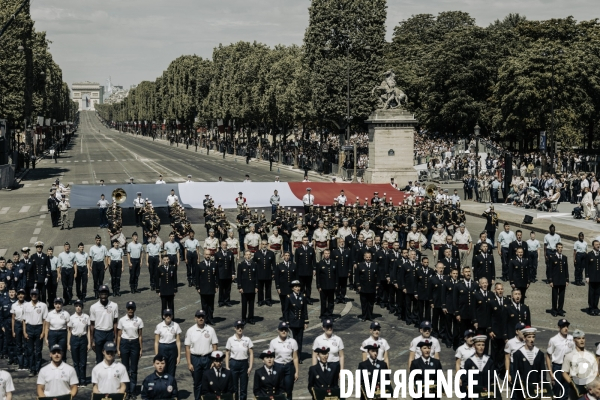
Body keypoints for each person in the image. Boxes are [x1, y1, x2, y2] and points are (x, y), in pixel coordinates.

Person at [184, 309, 218, 400]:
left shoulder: (210, 330)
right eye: (199, 317)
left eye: (202, 317)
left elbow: (215, 346)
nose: (201, 318)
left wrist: (214, 361)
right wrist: (189, 363)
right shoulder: (190, 331)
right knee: (197, 382)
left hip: (208, 357)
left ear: (205, 318)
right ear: (195, 318)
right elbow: (187, 348)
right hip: (195, 358)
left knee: (208, 381)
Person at [117, 301, 144, 400]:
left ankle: (132, 391)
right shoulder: (122, 320)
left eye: (132, 308)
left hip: (135, 343)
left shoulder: (139, 320)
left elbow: (140, 335)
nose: (130, 310)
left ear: (135, 309)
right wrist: (118, 348)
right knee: (125, 369)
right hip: (124, 343)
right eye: (129, 308)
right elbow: (119, 336)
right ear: (126, 309)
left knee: (133, 369)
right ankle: (126, 390)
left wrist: (141, 348)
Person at [511, 327, 548, 397]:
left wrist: (541, 384)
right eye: (529, 337)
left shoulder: (539, 354)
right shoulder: (518, 354)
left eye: (533, 337)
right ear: (524, 338)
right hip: (522, 389)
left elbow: (542, 372)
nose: (531, 340)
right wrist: (520, 385)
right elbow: (516, 372)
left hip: (535, 388)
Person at [562, 329, 598, 400]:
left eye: (583, 338)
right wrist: (572, 384)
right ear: (574, 340)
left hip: (589, 388)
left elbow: (595, 371)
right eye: (579, 338)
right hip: (576, 389)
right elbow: (564, 372)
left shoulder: (590, 355)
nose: (582, 340)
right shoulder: (569, 356)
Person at [269, 322, 299, 399]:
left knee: (289, 389)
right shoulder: (273, 342)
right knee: (278, 389)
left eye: (285, 329)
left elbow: (295, 357)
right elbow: (271, 358)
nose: (283, 331)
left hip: (288, 366)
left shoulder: (292, 342)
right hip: (277, 366)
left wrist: (296, 372)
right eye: (282, 329)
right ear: (278, 330)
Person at [546, 319, 574, 400]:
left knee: (566, 391)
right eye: (563, 326)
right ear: (559, 327)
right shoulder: (553, 340)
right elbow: (548, 356)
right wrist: (551, 373)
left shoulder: (571, 339)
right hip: (557, 367)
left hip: (568, 368)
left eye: (567, 326)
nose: (566, 328)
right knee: (556, 390)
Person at [90, 285, 119, 364]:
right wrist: (92, 340)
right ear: (99, 294)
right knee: (99, 358)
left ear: (108, 294)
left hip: (109, 333)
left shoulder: (114, 305)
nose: (103, 296)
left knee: (110, 356)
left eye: (105, 293)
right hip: (98, 333)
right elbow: (92, 325)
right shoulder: (93, 307)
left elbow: (115, 323)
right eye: (102, 294)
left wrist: (115, 338)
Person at [226, 320, 253, 400]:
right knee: (234, 387)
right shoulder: (230, 339)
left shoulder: (247, 339)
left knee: (243, 388)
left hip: (244, 363)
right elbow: (227, 353)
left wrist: (250, 367)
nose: (240, 329)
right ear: (235, 328)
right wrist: (227, 366)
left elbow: (251, 353)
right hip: (234, 363)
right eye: (238, 327)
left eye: (241, 327)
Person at [23, 288, 48, 376]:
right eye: (32, 294)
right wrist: (24, 332)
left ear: (38, 295)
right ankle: (32, 369)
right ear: (30, 295)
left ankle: (37, 369)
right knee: (30, 350)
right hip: (29, 328)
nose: (34, 296)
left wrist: (43, 332)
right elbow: (24, 320)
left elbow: (45, 320)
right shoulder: (26, 305)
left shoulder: (43, 305)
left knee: (38, 351)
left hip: (39, 328)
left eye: (35, 294)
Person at [67, 299, 90, 387]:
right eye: (76, 306)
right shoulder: (72, 318)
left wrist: (89, 343)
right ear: (75, 307)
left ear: (82, 307)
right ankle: (77, 380)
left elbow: (88, 331)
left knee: (83, 361)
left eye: (80, 306)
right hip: (74, 339)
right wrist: (68, 343)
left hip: (83, 338)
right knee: (76, 362)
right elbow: (69, 331)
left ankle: (83, 380)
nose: (78, 308)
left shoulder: (86, 317)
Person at [284, 280, 308, 361]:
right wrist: (287, 321)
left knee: (299, 340)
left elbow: (305, 310)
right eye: (296, 287)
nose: (298, 288)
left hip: (300, 322)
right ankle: (292, 356)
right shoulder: (289, 297)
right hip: (292, 322)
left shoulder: (303, 296)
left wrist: (305, 321)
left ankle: (299, 357)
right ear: (292, 288)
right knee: (292, 340)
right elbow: (286, 311)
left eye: (299, 286)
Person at [154, 309, 181, 379]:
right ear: (163, 316)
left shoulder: (176, 325)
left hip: (172, 347)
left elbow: (178, 341)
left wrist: (179, 356)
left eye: (169, 315)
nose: (168, 317)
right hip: (162, 347)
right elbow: (156, 342)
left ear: (172, 316)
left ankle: (171, 386)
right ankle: (163, 386)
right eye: (166, 315)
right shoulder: (159, 326)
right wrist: (157, 355)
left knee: (172, 369)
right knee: (162, 368)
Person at [196, 250, 218, 325]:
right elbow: (197, 277)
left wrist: (216, 286)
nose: (208, 256)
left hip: (211, 287)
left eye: (209, 254)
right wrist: (198, 287)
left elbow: (216, 276)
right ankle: (205, 319)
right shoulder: (200, 265)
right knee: (204, 305)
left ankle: (211, 318)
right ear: (204, 255)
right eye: (206, 254)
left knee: (211, 305)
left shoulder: (214, 264)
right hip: (203, 288)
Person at [44, 297, 69, 361]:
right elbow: (47, 327)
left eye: (59, 304)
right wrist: (46, 339)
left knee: (62, 351)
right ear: (54, 304)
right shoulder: (50, 314)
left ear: (62, 305)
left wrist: (68, 340)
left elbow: (68, 328)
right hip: (52, 333)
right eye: (56, 303)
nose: (58, 305)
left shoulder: (66, 314)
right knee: (53, 351)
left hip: (62, 333)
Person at [356, 251, 379, 321]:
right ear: (364, 257)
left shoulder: (375, 265)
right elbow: (357, 276)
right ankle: (364, 316)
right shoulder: (360, 265)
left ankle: (370, 316)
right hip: (363, 287)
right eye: (367, 257)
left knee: (371, 302)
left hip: (372, 287)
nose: (368, 258)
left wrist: (377, 284)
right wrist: (358, 285)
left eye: (369, 257)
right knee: (364, 303)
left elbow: (378, 276)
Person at [549, 243, 569, 317]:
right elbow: (550, 270)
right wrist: (550, 280)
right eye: (559, 247)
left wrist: (567, 279)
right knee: (554, 296)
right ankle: (554, 310)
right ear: (556, 248)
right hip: (555, 280)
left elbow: (566, 269)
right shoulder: (552, 257)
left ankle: (560, 310)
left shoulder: (564, 257)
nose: (560, 249)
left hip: (562, 280)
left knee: (561, 296)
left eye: (561, 247)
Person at [237, 251, 258, 324]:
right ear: (244, 256)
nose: (248, 256)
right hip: (244, 287)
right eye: (247, 255)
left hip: (252, 287)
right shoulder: (241, 264)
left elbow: (256, 276)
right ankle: (243, 318)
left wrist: (256, 286)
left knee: (251, 304)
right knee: (244, 304)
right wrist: (240, 287)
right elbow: (239, 277)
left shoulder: (254, 264)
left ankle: (251, 318)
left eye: (249, 255)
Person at [315, 249, 337, 318]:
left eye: (328, 253)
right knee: (323, 301)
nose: (327, 255)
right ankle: (323, 313)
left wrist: (336, 284)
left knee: (331, 300)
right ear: (323, 254)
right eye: (325, 253)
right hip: (323, 285)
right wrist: (318, 286)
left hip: (331, 285)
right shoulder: (320, 263)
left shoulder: (333, 262)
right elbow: (318, 276)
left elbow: (336, 274)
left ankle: (330, 313)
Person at [254, 240, 276, 307]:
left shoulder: (271, 253)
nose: (264, 246)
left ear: (267, 245)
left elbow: (273, 264)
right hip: (259, 274)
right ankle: (260, 300)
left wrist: (273, 273)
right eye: (263, 244)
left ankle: (268, 300)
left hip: (268, 273)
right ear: (261, 245)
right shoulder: (257, 253)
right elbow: (254, 264)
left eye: (265, 244)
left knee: (268, 288)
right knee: (260, 288)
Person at [295, 236, 316, 304]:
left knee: (308, 286)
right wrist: (296, 272)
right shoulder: (298, 250)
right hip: (301, 271)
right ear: (302, 241)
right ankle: (301, 298)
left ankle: (308, 298)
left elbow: (314, 260)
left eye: (307, 240)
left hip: (309, 271)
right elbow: (296, 261)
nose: (306, 241)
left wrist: (314, 269)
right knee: (301, 286)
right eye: (304, 240)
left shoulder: (311, 249)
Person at [10, 288, 27, 371]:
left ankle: (26, 363)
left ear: (24, 295)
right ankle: (20, 364)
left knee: (26, 344)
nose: (21, 295)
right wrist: (13, 331)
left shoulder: (27, 304)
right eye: (19, 294)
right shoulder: (14, 305)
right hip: (17, 324)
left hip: (26, 324)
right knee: (18, 344)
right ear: (17, 295)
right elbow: (13, 319)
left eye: (22, 294)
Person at [216, 240, 235, 308]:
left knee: (228, 289)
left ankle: (227, 301)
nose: (224, 246)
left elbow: (232, 264)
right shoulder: (217, 254)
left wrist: (233, 273)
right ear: (221, 246)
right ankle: (221, 301)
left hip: (228, 274)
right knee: (221, 289)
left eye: (225, 245)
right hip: (221, 274)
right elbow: (216, 265)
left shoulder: (230, 253)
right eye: (223, 245)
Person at [89, 235, 109, 299]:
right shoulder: (92, 248)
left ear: (101, 240)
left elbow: (106, 256)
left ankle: (100, 292)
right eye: (97, 240)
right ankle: (96, 292)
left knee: (101, 280)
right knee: (95, 280)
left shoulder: (103, 247)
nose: (98, 241)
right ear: (95, 240)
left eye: (99, 240)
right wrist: (89, 265)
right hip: (95, 264)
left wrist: (106, 264)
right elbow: (90, 257)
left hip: (101, 263)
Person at [586, 240, 600, 315]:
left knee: (597, 293)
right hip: (592, 277)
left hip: (598, 277)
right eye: (596, 244)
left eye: (599, 244)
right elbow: (587, 266)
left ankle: (595, 307)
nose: (598, 245)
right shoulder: (589, 254)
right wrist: (587, 276)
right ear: (593, 246)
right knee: (591, 293)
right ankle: (591, 307)